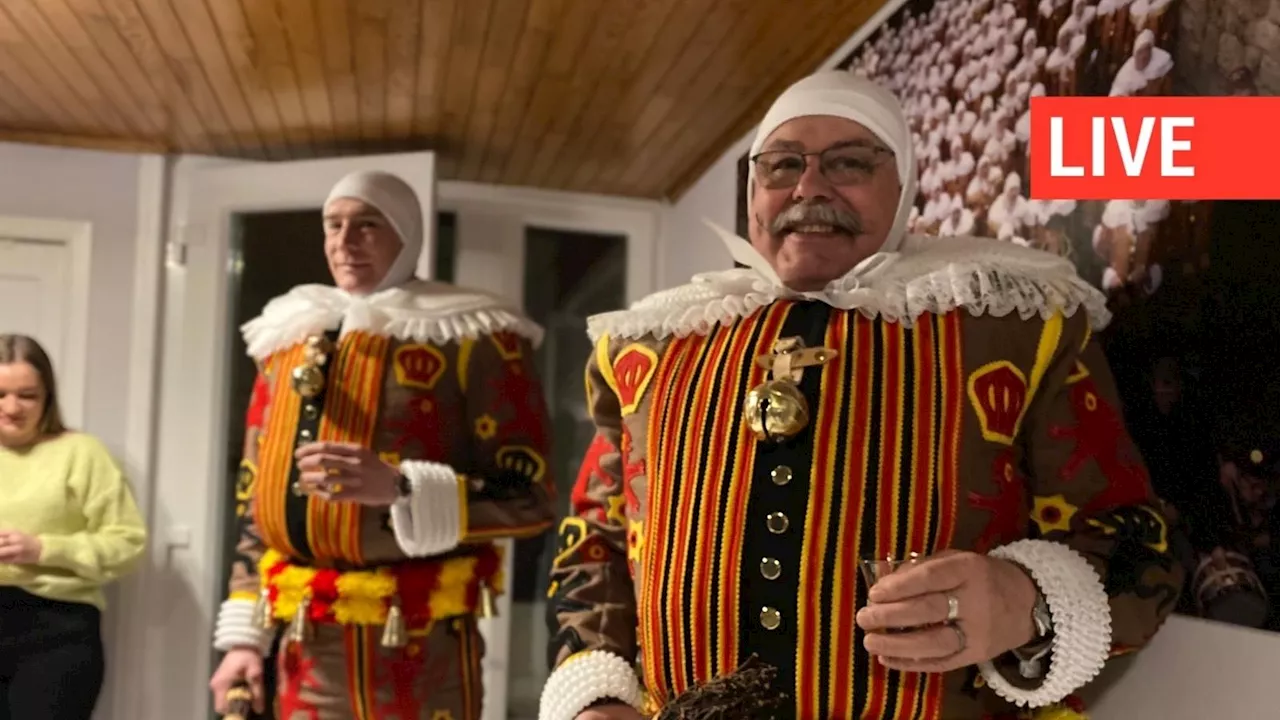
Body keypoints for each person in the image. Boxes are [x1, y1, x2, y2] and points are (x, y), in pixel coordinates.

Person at [540, 71, 1183, 720]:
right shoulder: (649, 347)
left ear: (903, 189)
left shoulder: (1018, 327)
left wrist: (1026, 599)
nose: (809, 187)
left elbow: (1137, 540)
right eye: (782, 164)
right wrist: (593, 695)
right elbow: (594, 537)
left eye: (849, 163)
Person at [207, 170, 557, 719]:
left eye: (367, 224)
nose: (344, 242)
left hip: (424, 645)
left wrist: (401, 488)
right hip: (304, 643)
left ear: (406, 234)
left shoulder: (474, 334)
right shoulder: (286, 334)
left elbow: (531, 498)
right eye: (333, 225)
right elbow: (257, 502)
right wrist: (243, 638)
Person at [0, 334, 148, 719]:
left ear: (48, 396)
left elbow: (128, 543)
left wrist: (43, 549)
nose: (12, 407)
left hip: (56, 631)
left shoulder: (81, 453)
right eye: (0, 394)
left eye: (27, 395)